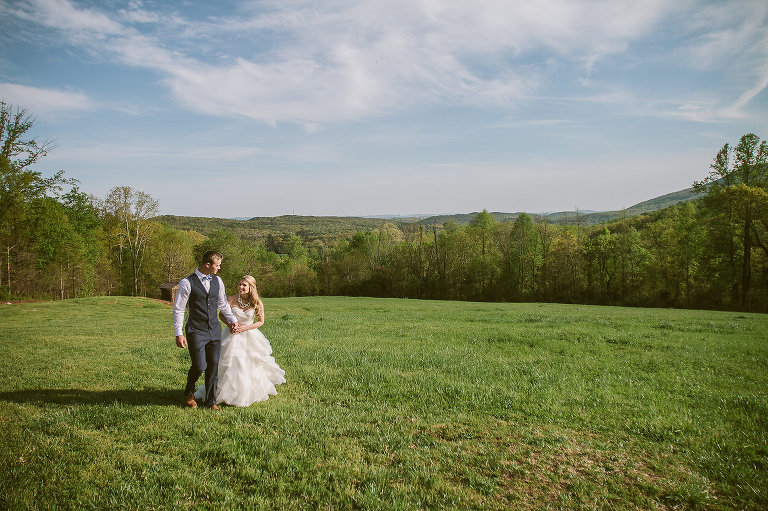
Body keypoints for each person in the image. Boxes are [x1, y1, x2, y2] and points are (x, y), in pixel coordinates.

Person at [195, 275, 285, 407]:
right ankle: (224, 391)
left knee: (247, 364)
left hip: (250, 336)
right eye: (240, 284)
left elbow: (261, 322)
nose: (241, 287)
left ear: (250, 288)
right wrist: (231, 324)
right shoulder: (230, 299)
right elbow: (221, 314)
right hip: (231, 335)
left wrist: (245, 328)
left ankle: (245, 392)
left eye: (244, 285)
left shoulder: (257, 302)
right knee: (230, 363)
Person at [173, 250, 239, 411]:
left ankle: (211, 401)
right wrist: (178, 333)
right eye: (217, 266)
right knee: (200, 366)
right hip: (196, 330)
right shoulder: (186, 283)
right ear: (207, 265)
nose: (219, 268)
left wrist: (233, 321)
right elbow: (179, 309)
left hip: (214, 329)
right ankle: (189, 391)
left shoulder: (218, 281)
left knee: (213, 366)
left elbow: (222, 303)